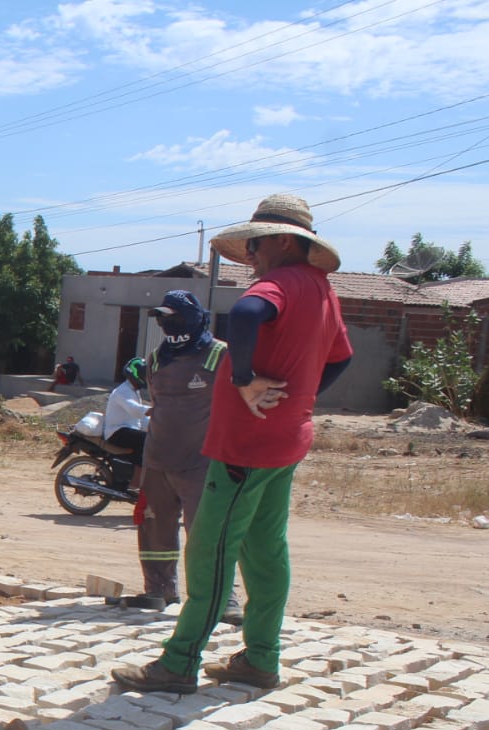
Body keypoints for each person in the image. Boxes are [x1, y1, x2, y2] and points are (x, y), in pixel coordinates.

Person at [112, 193, 351, 694]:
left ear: (284, 241)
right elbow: (341, 358)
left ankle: (178, 664)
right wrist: (298, 398)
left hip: (245, 446)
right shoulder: (322, 289)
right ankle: (260, 658)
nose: (253, 258)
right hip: (286, 439)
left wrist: (244, 378)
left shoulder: (280, 282)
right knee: (266, 551)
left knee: (210, 552)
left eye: (258, 245)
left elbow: (244, 314)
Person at [126, 291, 241, 621]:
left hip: (202, 463)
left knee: (206, 532)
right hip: (158, 460)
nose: (167, 324)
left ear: (194, 319)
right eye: (163, 318)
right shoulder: (158, 358)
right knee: (153, 527)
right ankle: (158, 589)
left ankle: (222, 598)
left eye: (175, 318)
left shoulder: (221, 355)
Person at [102, 356, 151, 466]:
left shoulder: (133, 391)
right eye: (143, 374)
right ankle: (136, 476)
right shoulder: (123, 391)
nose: (145, 378)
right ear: (135, 373)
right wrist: (155, 410)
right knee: (147, 440)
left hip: (127, 430)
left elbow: (140, 418)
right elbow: (136, 410)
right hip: (116, 432)